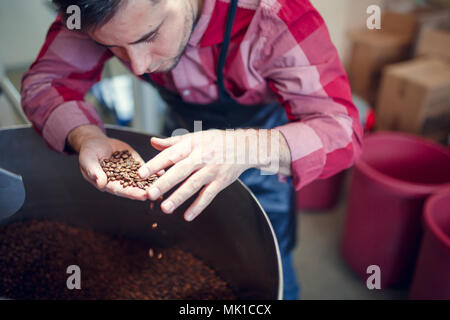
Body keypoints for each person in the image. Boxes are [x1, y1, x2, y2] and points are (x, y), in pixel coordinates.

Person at [21, 0, 363, 300]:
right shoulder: (93, 9)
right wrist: (86, 136)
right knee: (187, 243)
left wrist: (247, 147)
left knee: (268, 268)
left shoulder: (273, 15)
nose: (138, 66)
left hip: (265, 154)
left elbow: (342, 131)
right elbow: (44, 82)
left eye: (149, 36)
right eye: (114, 47)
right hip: (182, 133)